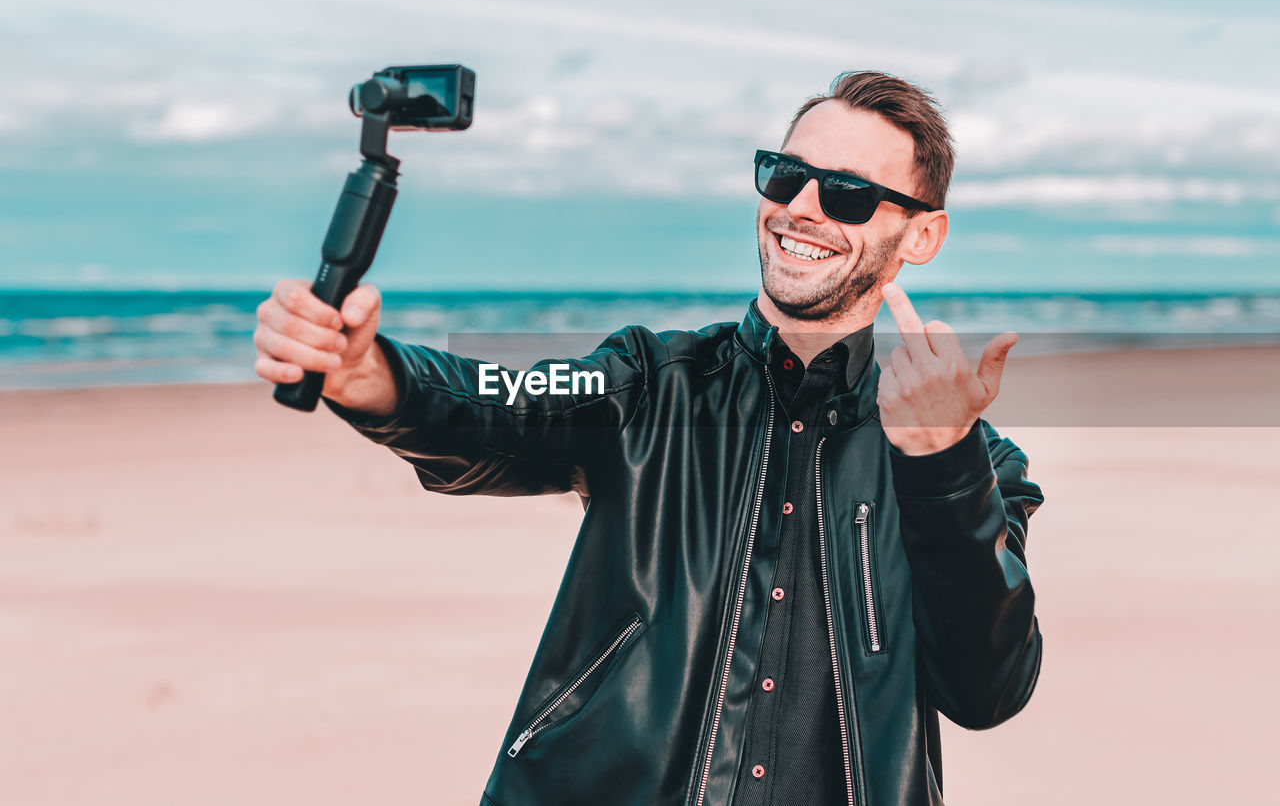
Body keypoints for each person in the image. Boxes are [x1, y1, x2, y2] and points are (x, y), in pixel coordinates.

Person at [253, 70, 1045, 806]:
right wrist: (371, 374)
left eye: (846, 194)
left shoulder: (979, 467)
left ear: (921, 236)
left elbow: (986, 688)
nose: (801, 207)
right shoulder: (651, 380)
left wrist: (942, 464)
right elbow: (500, 405)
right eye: (783, 174)